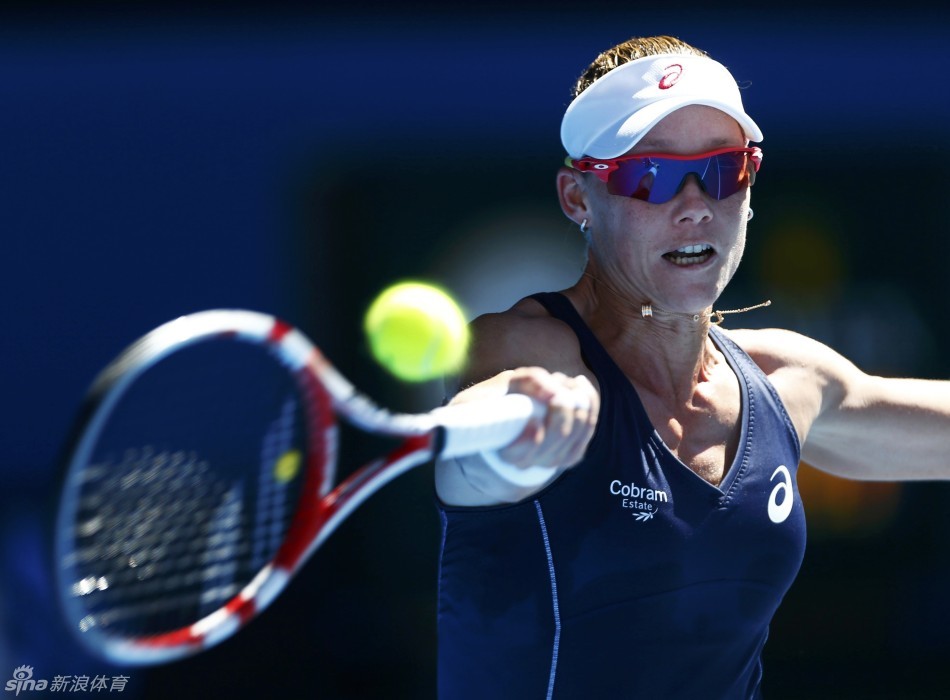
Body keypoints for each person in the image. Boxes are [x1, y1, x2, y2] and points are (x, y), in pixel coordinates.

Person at [433, 34, 950, 699]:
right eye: (651, 175)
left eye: (723, 169)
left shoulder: (788, 381)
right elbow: (478, 438)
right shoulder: (523, 350)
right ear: (576, 197)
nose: (695, 205)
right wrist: (512, 431)